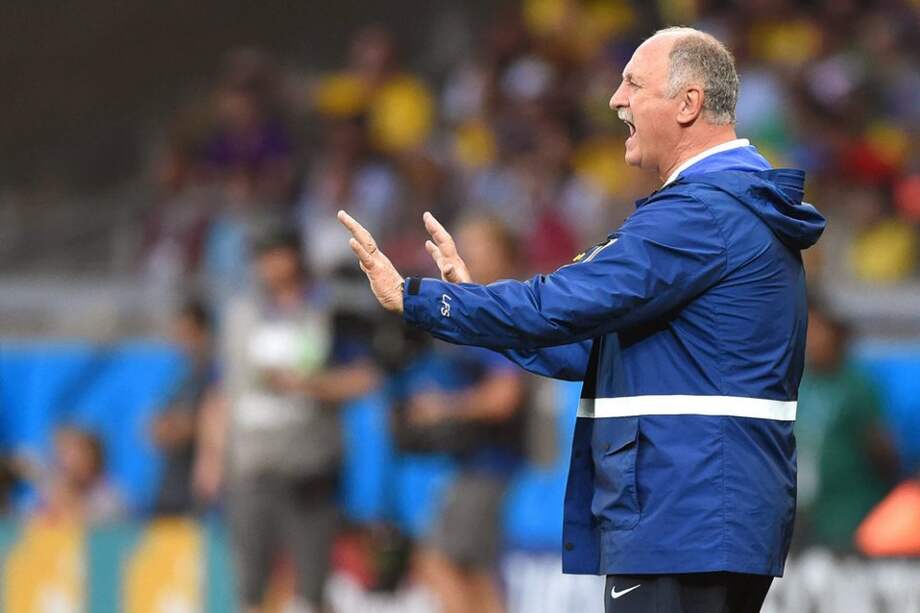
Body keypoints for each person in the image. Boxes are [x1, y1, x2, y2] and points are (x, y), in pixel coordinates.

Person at [338, 26, 826, 613]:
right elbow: (588, 346)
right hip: (707, 510)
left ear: (688, 103)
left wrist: (416, 299)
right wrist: (470, 304)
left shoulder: (701, 213)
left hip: (681, 510)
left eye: (632, 84)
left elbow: (559, 305)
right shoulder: (729, 208)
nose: (615, 99)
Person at [194, 229, 378, 613]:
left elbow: (365, 378)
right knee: (250, 586)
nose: (269, 267)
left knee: (312, 584)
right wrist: (211, 457)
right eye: (261, 258)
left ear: (296, 257)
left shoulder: (328, 311)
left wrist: (310, 385)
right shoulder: (240, 314)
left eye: (277, 255)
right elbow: (221, 392)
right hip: (251, 464)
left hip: (310, 464)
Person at [393, 216, 526, 613]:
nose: (462, 252)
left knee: (440, 561)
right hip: (478, 463)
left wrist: (444, 407)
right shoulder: (488, 304)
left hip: (491, 465)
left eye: (475, 245)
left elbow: (505, 395)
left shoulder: (503, 304)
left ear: (503, 254)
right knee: (475, 570)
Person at [795, 302, 899, 552]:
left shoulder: (856, 387)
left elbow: (882, 450)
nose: (811, 340)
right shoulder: (799, 383)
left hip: (847, 513)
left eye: (819, 330)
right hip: (803, 515)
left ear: (837, 335)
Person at [150, 300, 214, 515]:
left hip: (200, 488)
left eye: (188, 333)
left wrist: (183, 428)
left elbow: (210, 426)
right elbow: (155, 427)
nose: (181, 340)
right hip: (172, 485)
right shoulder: (178, 377)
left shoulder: (215, 376)